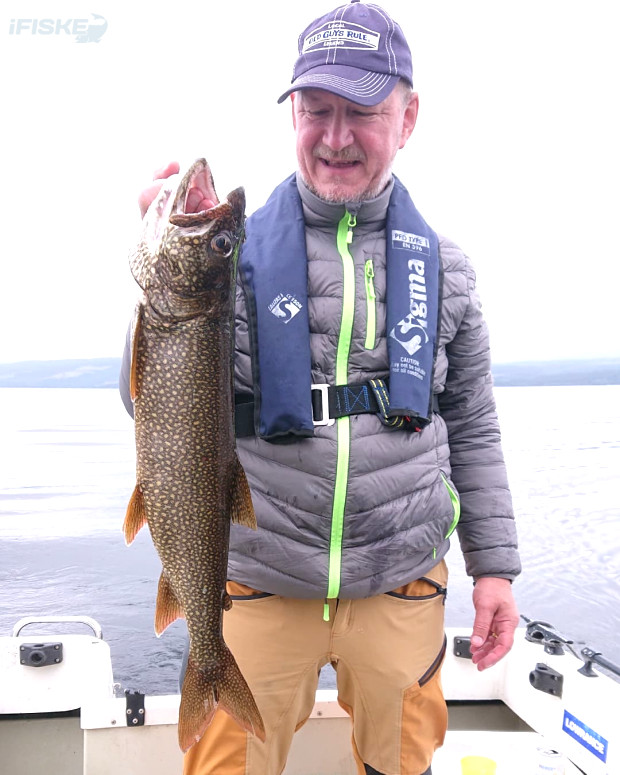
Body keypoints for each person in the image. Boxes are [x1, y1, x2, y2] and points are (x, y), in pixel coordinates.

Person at [120, 2, 521, 773]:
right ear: (293, 115)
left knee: (400, 761)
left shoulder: (446, 269)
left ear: (408, 118)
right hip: (256, 579)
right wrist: (159, 264)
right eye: (316, 110)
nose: (336, 137)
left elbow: (473, 425)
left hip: (401, 580)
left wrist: (495, 567)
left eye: (361, 112)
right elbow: (150, 401)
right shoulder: (230, 259)